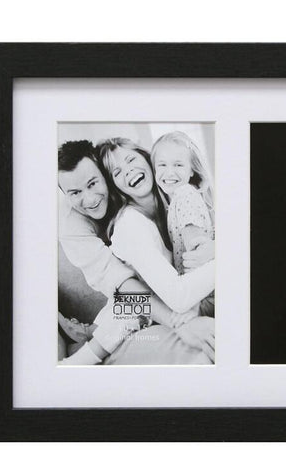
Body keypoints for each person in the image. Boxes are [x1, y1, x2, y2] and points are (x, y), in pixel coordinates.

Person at [58, 140, 214, 365]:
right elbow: (123, 287)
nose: (89, 199)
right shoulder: (75, 228)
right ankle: (79, 356)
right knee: (126, 310)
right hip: (132, 297)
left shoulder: (171, 192)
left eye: (93, 183)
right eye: (75, 193)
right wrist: (181, 323)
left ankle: (92, 331)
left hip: (161, 290)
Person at [96, 137, 216, 317]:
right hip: (143, 317)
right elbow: (179, 298)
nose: (128, 171)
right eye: (117, 172)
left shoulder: (174, 196)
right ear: (115, 186)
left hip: (186, 304)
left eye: (131, 159)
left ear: (148, 159)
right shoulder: (129, 226)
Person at [151, 131, 215, 317]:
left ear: (192, 170)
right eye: (162, 165)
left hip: (204, 294)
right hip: (201, 291)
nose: (169, 172)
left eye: (178, 164)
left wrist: (195, 306)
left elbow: (197, 253)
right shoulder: (179, 198)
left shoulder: (184, 194)